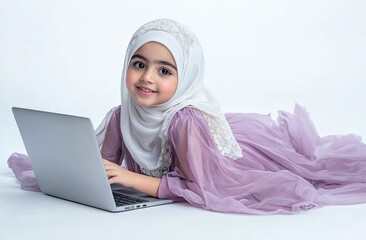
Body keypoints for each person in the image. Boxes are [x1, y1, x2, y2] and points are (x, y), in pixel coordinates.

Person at [8, 19, 366, 215]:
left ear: (186, 79)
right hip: (193, 163)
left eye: (165, 71)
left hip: (218, 166)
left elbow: (205, 186)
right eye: (139, 64)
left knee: (312, 168)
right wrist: (81, 172)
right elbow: (103, 164)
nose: (147, 77)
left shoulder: (185, 122)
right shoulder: (121, 115)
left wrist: (132, 180)